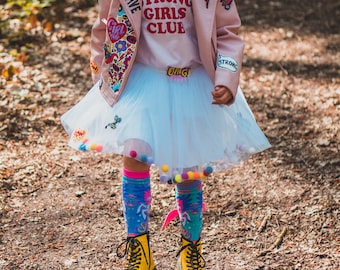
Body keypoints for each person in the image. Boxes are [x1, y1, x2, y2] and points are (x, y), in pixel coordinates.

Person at [61, 0, 271, 269]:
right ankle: (139, 249)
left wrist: (226, 79)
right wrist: (104, 77)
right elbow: (105, 27)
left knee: (187, 168)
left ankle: (191, 248)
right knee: (135, 155)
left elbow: (227, 32)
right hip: (141, 82)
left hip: (191, 82)